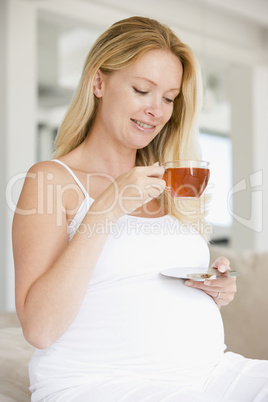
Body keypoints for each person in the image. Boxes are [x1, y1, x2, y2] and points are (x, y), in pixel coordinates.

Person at [12, 16, 268, 402]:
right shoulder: (51, 180)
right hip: (102, 383)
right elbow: (40, 328)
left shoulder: (169, 182)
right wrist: (107, 207)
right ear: (99, 82)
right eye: (142, 90)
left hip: (210, 373)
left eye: (168, 98)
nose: (156, 110)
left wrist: (214, 287)